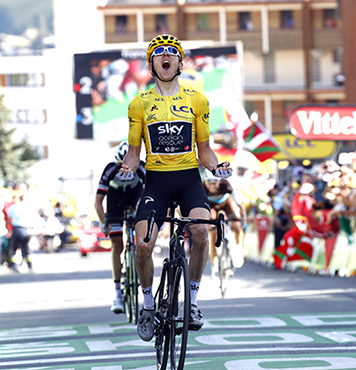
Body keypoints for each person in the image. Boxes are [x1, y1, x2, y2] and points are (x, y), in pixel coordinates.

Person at [116, 34, 232, 342]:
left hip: (189, 179)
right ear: (151, 63)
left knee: (200, 231)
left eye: (172, 53)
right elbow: (133, 151)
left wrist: (215, 166)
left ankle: (192, 302)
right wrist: (128, 166)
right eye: (159, 54)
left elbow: (205, 148)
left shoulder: (197, 99)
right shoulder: (139, 103)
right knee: (142, 245)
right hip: (157, 182)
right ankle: (148, 304)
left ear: (180, 63)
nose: (166, 57)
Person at [94, 141, 146, 314]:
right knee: (117, 244)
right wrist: (104, 223)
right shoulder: (110, 169)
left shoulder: (141, 168)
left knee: (142, 241)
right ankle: (117, 292)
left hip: (135, 201)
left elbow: (152, 194)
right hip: (115, 204)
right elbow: (98, 201)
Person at [202, 169, 247, 276]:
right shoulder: (202, 187)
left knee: (236, 224)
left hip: (226, 203)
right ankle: (214, 268)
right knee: (212, 232)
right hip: (211, 206)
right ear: (205, 181)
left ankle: (238, 248)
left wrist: (243, 218)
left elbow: (240, 204)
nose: (213, 186)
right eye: (210, 183)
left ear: (220, 181)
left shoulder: (225, 185)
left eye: (215, 183)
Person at [6, 194, 42, 273]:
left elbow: (8, 219)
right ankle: (30, 267)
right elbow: (36, 219)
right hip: (26, 230)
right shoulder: (29, 208)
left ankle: (14, 267)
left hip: (16, 230)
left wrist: (9, 230)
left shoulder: (14, 207)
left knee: (14, 249)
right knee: (27, 249)